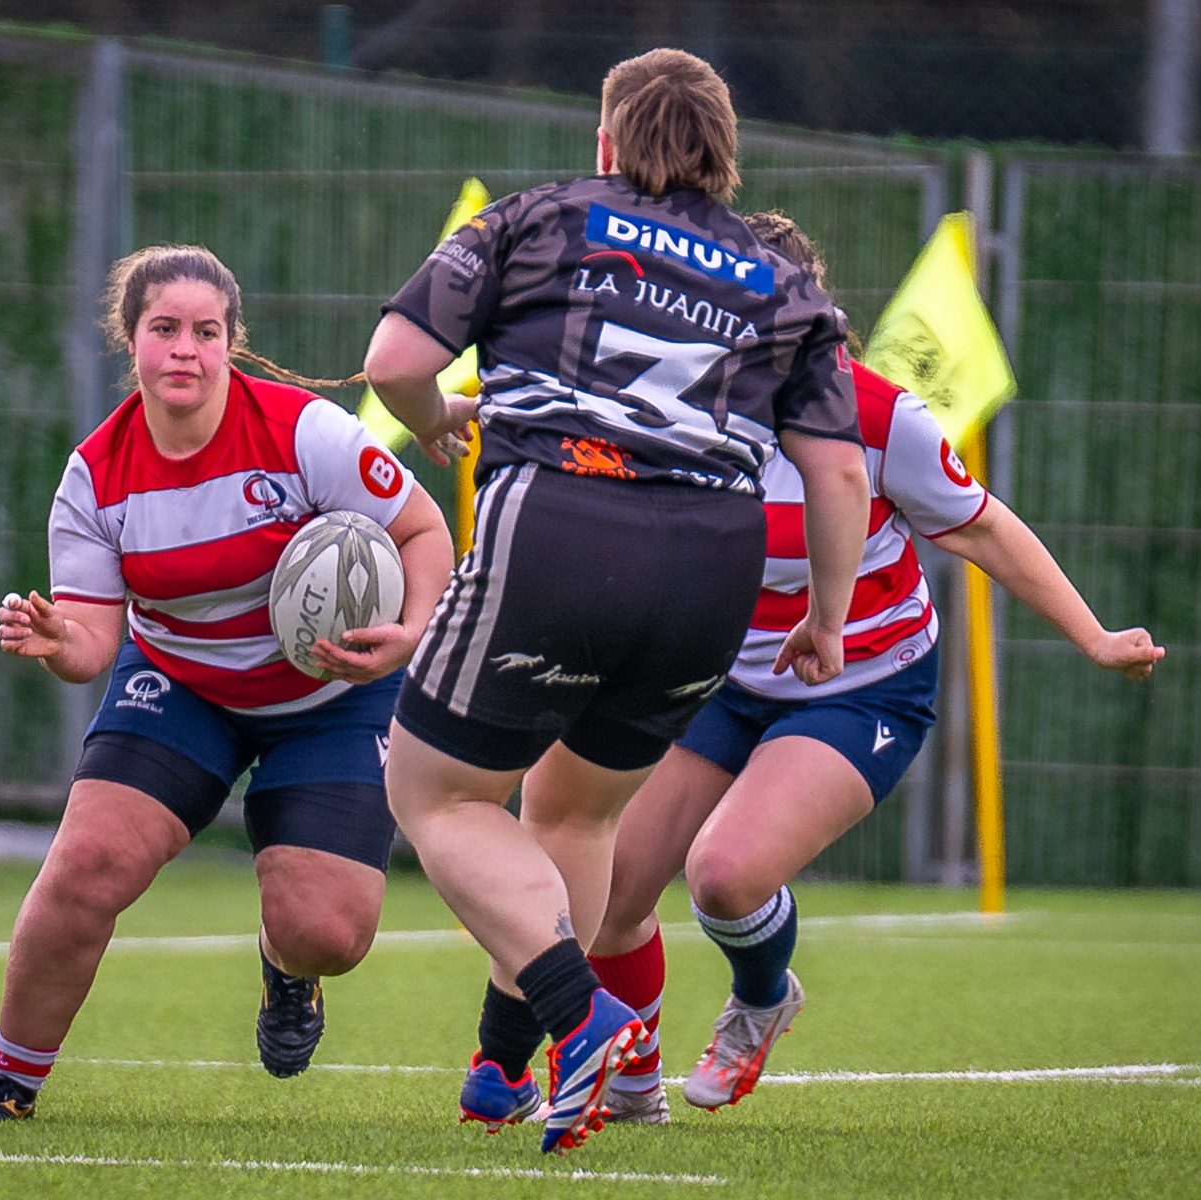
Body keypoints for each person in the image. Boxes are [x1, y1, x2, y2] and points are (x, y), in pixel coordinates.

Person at [361, 52, 872, 1154]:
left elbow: (392, 359)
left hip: (564, 522)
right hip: (714, 568)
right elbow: (837, 472)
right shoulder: (785, 282)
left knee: (431, 792)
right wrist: (826, 619)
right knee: (578, 813)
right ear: (725, 156)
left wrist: (434, 417)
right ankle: (505, 1067)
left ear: (606, 142)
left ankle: (578, 1015)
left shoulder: (541, 217)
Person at [583, 211, 1166, 1121]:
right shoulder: (675, 404)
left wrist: (1093, 636)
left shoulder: (878, 416)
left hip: (861, 683)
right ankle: (627, 1079)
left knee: (725, 875)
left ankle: (763, 997)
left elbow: (981, 527)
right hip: (719, 677)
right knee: (612, 887)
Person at [0, 244, 454, 1121]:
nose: (185, 348)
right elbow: (94, 645)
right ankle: (10, 1081)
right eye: (165, 329)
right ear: (130, 340)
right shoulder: (95, 476)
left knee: (327, 934)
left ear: (231, 344)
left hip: (334, 694)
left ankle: (284, 967)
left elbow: (423, 531)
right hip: (184, 684)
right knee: (88, 863)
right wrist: (56, 637)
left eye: (206, 331)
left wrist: (405, 637)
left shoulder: (304, 432)